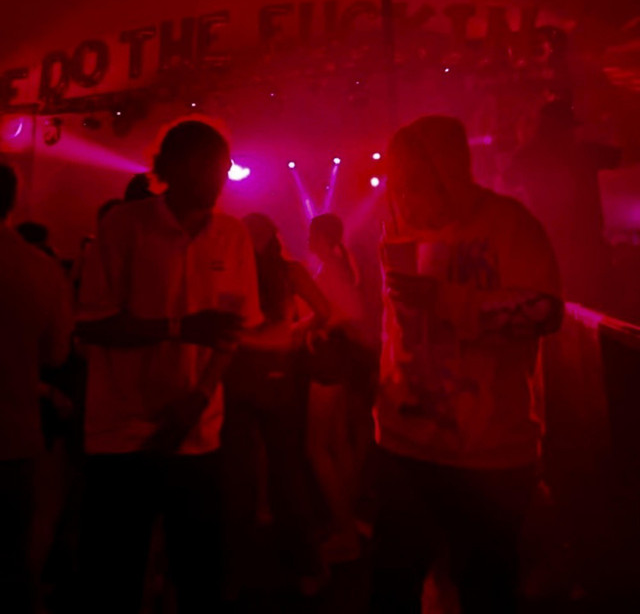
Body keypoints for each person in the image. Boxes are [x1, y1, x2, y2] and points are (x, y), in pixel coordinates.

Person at [371, 116, 563, 613]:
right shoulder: (398, 225)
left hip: (491, 452)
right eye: (398, 185)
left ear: (450, 175)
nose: (404, 197)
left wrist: (448, 301)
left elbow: (546, 312)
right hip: (404, 442)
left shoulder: (509, 225)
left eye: (415, 184)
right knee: (391, 585)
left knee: (486, 589)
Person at [75, 119, 263, 614]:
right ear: (173, 166)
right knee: (112, 577)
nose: (218, 177)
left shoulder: (232, 234)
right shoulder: (124, 225)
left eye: (222, 166)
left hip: (197, 432)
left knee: (198, 574)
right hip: (122, 431)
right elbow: (92, 325)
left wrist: (197, 399)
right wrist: (179, 328)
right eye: (207, 165)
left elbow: (231, 332)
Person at [223, 212, 331, 597]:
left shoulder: (232, 271)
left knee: (237, 473)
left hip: (238, 370)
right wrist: (293, 332)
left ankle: (234, 574)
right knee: (286, 469)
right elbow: (325, 311)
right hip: (279, 371)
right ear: (274, 237)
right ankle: (305, 568)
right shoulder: (290, 271)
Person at [0, 163, 74, 614]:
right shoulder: (39, 269)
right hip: (13, 433)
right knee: (11, 562)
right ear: (12, 201)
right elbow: (56, 354)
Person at [504, 99, 621, 307]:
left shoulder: (527, 156)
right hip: (587, 245)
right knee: (596, 306)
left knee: (560, 306)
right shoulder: (584, 152)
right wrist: (610, 125)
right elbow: (622, 154)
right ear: (566, 130)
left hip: (551, 246)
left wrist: (522, 140)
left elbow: (507, 180)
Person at [307, 213, 371, 563]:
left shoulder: (330, 268)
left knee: (316, 447)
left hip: (329, 359)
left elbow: (348, 314)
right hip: (341, 359)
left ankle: (346, 534)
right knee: (337, 442)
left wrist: (316, 328)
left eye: (311, 234)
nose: (307, 239)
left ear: (321, 237)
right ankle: (344, 519)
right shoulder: (339, 265)